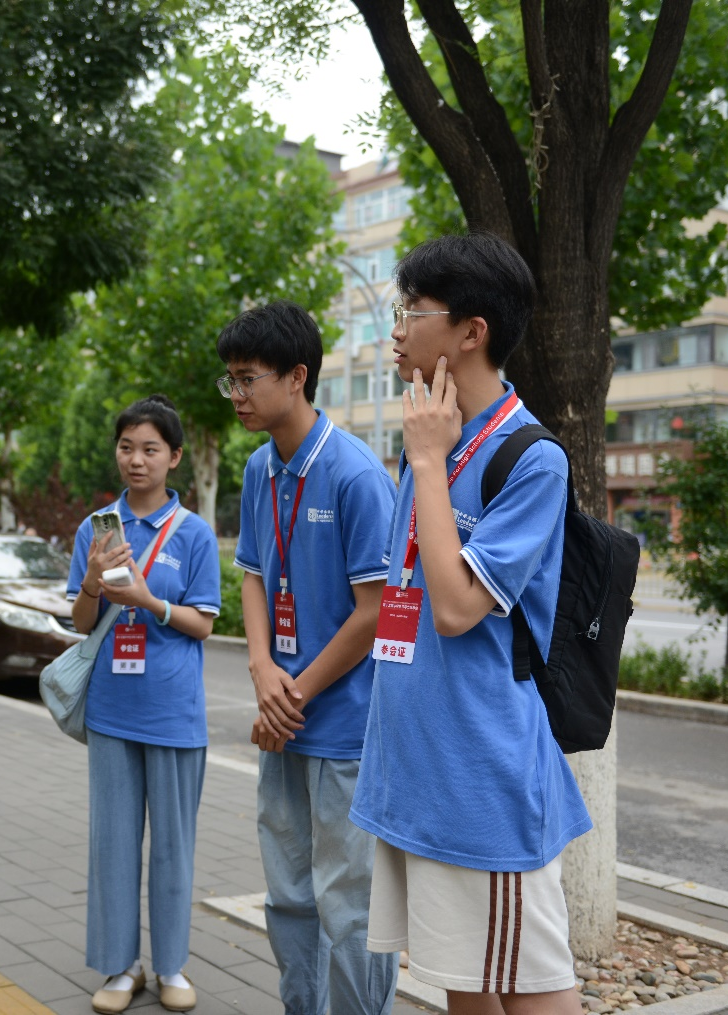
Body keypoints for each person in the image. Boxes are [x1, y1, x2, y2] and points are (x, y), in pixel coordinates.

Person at [348, 233, 592, 1014]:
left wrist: (425, 462)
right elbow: (402, 601)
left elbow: (454, 610)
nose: (393, 329)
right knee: (465, 981)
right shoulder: (434, 441)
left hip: (481, 776)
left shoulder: (527, 458)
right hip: (419, 771)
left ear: (469, 331)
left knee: (532, 990)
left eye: (409, 310)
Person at [217, 300, 399, 1015]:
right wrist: (262, 669)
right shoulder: (259, 469)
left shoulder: (354, 474)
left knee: (348, 906)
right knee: (288, 897)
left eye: (247, 379)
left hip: (343, 727)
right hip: (283, 719)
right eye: (228, 380)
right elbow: (254, 574)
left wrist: (290, 692)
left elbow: (376, 610)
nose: (235, 395)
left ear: (296, 377)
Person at [66, 395, 221, 1014]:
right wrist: (92, 584)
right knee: (113, 843)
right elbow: (82, 622)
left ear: (174, 458)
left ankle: (173, 967)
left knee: (172, 847)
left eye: (150, 448)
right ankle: (119, 967)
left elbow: (204, 623)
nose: (136, 459)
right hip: (111, 709)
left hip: (174, 712)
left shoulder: (195, 534)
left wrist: (150, 602)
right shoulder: (98, 528)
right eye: (127, 446)